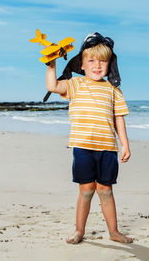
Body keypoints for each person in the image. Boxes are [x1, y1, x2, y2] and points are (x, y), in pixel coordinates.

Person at [45, 32, 133, 244]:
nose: (97, 65)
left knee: (106, 191)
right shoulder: (75, 84)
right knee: (86, 191)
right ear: (81, 64)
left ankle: (114, 232)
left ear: (109, 64)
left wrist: (125, 144)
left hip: (107, 149)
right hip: (83, 147)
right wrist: (51, 63)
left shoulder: (113, 91)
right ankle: (79, 231)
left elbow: (119, 118)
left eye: (102, 60)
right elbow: (52, 86)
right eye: (91, 60)